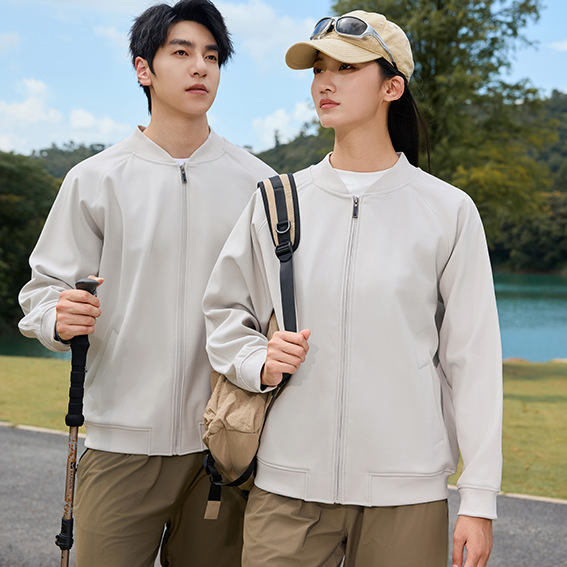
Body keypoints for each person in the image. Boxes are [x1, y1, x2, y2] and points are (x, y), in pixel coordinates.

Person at [203, 10, 502, 567]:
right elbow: (223, 314)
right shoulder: (277, 202)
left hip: (407, 492)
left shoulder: (448, 210)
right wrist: (257, 360)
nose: (325, 82)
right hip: (286, 488)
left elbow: (473, 360)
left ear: (392, 87)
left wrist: (479, 498)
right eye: (319, 68)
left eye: (346, 68)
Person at [18, 1, 274, 565]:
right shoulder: (94, 179)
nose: (200, 67)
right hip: (120, 443)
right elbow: (42, 291)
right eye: (181, 52)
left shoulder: (260, 185)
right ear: (144, 69)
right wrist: (56, 315)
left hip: (224, 448)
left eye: (212, 56)